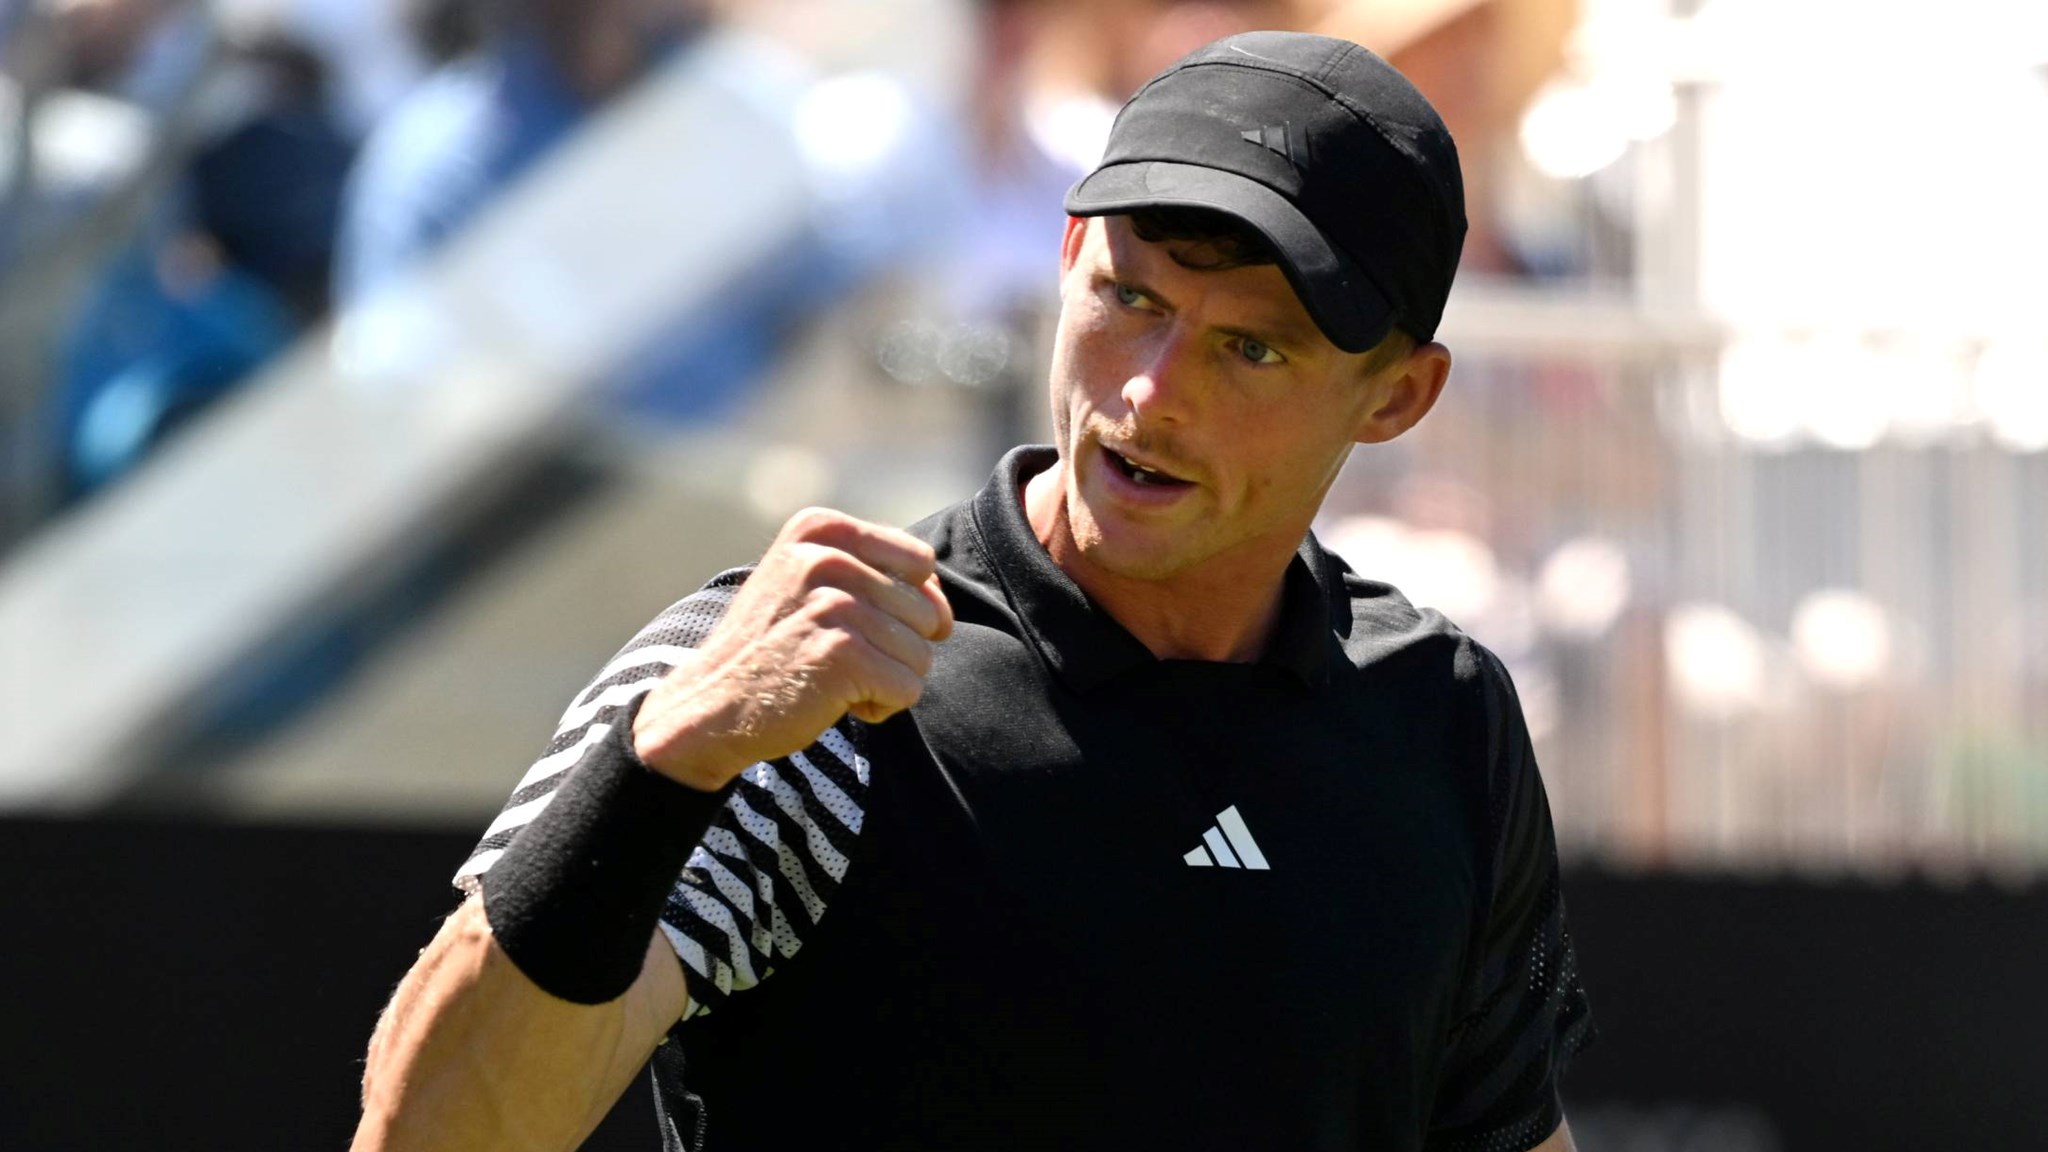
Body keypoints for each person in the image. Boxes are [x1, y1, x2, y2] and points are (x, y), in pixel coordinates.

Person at [352, 30, 1593, 1152]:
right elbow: (428, 1141)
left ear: (1396, 399)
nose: (1150, 394)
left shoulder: (1442, 718)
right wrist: (663, 756)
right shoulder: (787, 669)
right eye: (1129, 299)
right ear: (1065, 256)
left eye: (1248, 348)